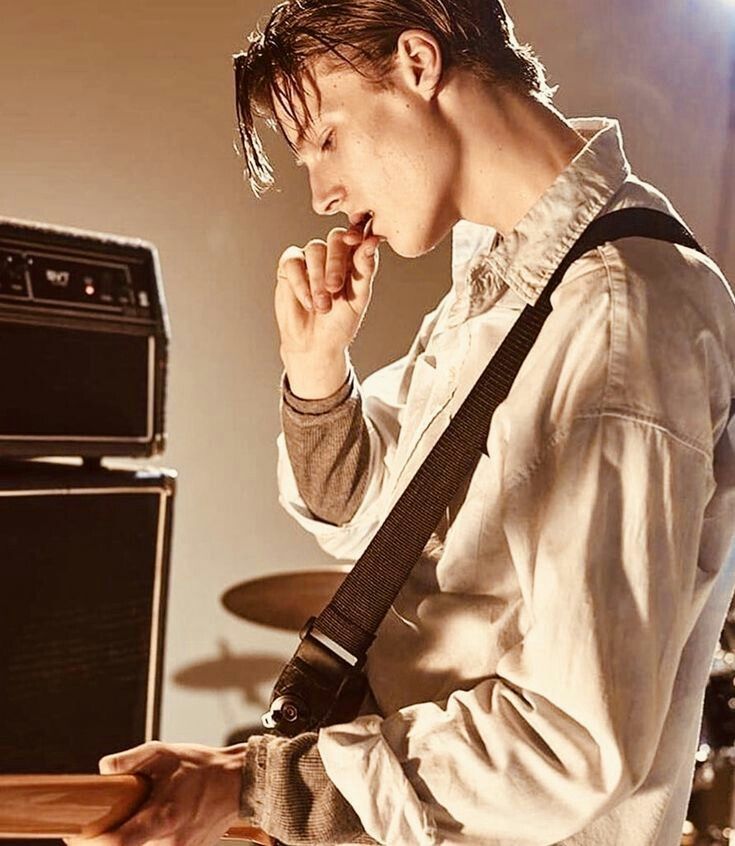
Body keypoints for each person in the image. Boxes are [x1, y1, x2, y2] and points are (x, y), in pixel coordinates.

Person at [73, 1, 735, 845]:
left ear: (419, 64)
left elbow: (570, 743)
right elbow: (369, 527)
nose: (320, 192)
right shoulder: (510, 280)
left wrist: (249, 785)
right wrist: (317, 375)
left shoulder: (613, 312)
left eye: (325, 139)